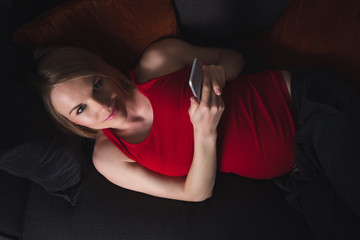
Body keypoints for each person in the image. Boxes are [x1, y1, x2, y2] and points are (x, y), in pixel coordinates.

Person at [33, 38, 360, 237]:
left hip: (309, 106)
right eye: (80, 109)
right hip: (298, 176)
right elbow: (195, 193)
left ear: (102, 68)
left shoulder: (157, 60)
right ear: (70, 122)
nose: (101, 106)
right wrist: (205, 133)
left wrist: (221, 72)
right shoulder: (108, 156)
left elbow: (232, 58)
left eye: (96, 85)